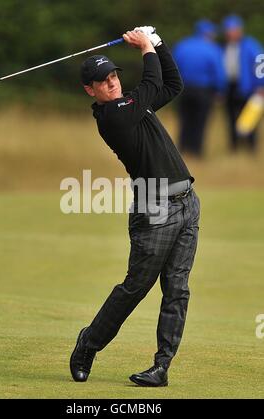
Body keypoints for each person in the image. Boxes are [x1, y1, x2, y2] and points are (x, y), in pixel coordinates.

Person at [70, 27, 200, 387]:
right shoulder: (113, 117)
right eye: (102, 80)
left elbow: (172, 85)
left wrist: (158, 44)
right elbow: (152, 76)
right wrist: (145, 47)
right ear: (90, 90)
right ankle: (88, 343)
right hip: (155, 209)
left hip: (188, 203)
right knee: (136, 286)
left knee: (178, 289)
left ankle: (161, 367)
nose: (111, 83)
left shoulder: (133, 104)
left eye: (112, 75)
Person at [173, 20, 226, 157]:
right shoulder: (213, 49)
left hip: (183, 89)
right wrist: (220, 91)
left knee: (184, 121)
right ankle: (196, 152)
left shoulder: (182, 45)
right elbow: (219, 72)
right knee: (200, 123)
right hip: (204, 91)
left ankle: (182, 151)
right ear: (209, 33)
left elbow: (173, 67)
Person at [222, 14, 264, 152]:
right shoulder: (225, 46)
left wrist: (260, 85)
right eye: (228, 30)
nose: (230, 33)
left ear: (239, 30)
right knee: (231, 118)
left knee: (249, 119)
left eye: (232, 30)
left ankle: (250, 148)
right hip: (230, 86)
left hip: (248, 88)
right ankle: (234, 148)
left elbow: (260, 64)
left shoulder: (251, 45)